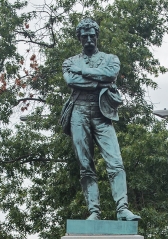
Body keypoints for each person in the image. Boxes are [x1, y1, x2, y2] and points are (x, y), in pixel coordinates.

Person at [60, 17, 139, 221]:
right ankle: (94, 211)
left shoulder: (110, 59)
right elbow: (71, 81)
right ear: (79, 38)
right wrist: (98, 81)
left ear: (97, 36)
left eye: (92, 36)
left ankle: (122, 209)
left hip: (102, 114)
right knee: (85, 165)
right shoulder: (70, 62)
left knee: (115, 162)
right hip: (78, 113)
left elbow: (110, 75)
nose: (88, 39)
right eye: (84, 36)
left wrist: (84, 72)